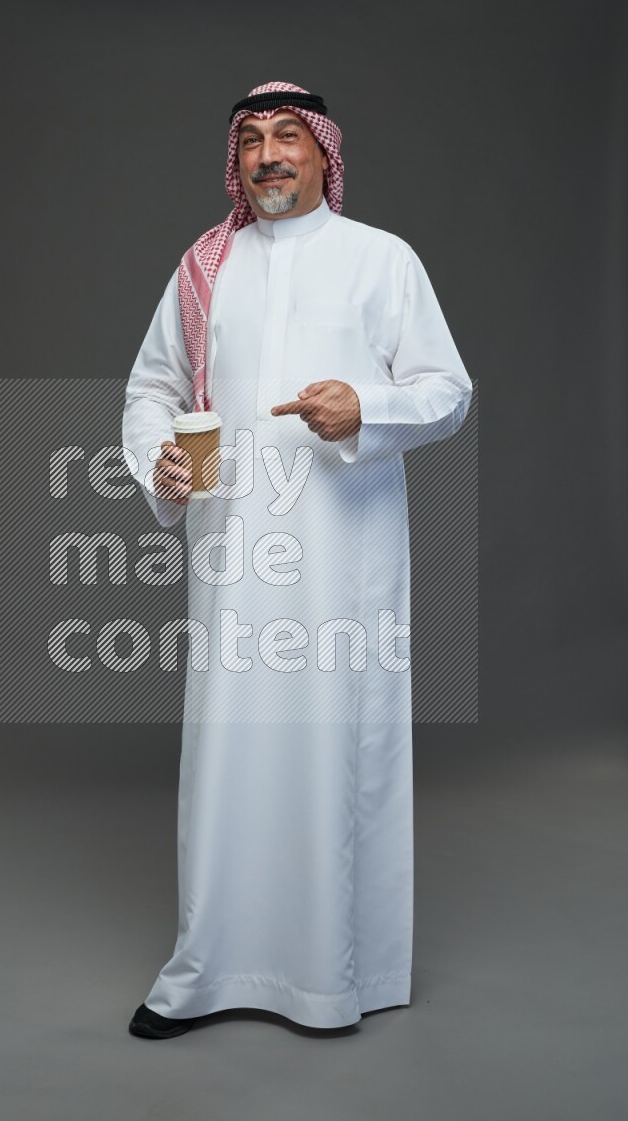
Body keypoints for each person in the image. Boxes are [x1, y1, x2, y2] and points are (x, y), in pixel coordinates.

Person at [122, 80, 472, 1039]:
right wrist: (155, 458)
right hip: (232, 557)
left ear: (324, 154)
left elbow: (448, 390)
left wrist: (369, 407)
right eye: (252, 142)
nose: (271, 155)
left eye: (289, 137)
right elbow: (154, 384)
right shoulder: (205, 268)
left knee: (331, 754)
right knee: (226, 754)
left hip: (344, 561)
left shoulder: (380, 261)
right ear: (235, 164)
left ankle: (329, 978)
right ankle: (207, 967)